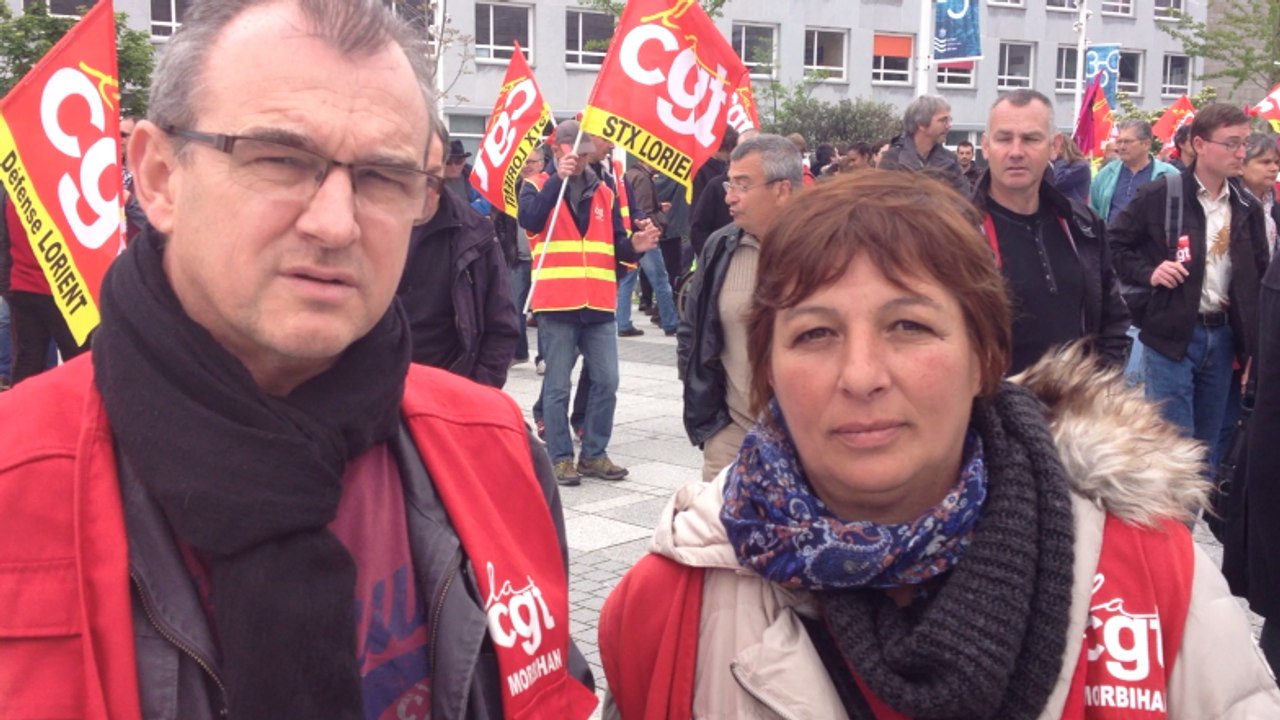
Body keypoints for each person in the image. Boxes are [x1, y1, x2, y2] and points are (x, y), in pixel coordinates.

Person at [0, 2, 597, 718]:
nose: (335, 223)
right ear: (158, 176)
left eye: (383, 177)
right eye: (279, 160)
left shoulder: (496, 447)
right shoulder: (19, 477)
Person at [599, 171, 1280, 719]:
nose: (861, 376)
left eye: (909, 326)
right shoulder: (665, 606)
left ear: (984, 356)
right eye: (815, 334)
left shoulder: (1153, 573)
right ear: (767, 370)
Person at [1109, 104, 1270, 469]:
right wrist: (1150, 271)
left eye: (1244, 143)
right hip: (1172, 336)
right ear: (1199, 144)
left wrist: (1255, 351)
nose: (1241, 153)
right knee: (1173, 448)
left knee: (1206, 454)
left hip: (1225, 337)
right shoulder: (1163, 193)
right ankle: (1172, 525)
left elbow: (1260, 283)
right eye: (1231, 143)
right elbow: (1114, 244)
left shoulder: (1246, 205)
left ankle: (1184, 525)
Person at [519, 118, 659, 486]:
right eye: (572, 154)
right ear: (555, 150)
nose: (580, 161)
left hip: (597, 302)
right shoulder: (536, 185)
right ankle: (560, 457)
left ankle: (594, 454)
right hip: (557, 302)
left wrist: (636, 247)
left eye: (584, 154)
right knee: (558, 384)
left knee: (607, 380)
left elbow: (615, 247)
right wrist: (555, 182)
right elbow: (530, 220)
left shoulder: (605, 192)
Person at [973, 90, 1130, 373]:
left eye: (1031, 139)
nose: (1016, 151)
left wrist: (1099, 387)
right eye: (1004, 138)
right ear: (985, 146)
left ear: (1054, 146)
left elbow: (1112, 317)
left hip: (1075, 407)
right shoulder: (960, 230)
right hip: (994, 408)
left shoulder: (1083, 225)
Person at [678, 134, 801, 482]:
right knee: (716, 531)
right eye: (730, 183)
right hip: (730, 433)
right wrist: (710, 419)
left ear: (782, 190)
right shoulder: (721, 246)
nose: (729, 196)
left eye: (742, 185)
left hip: (807, 438)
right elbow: (693, 330)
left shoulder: (825, 249)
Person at [397, 123, 519, 387]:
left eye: (433, 175)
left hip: (447, 392)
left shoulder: (475, 233)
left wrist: (476, 394)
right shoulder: (363, 223)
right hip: (372, 395)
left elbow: (501, 327)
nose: (426, 187)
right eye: (414, 173)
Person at [619, 157, 677, 336]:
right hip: (644, 235)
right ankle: (670, 322)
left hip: (629, 234)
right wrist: (657, 227)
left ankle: (622, 323)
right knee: (660, 279)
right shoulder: (644, 179)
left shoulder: (629, 175)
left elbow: (632, 203)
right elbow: (643, 210)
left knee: (627, 282)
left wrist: (658, 206)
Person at [1090, 119, 1179, 224]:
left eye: (1127, 141)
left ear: (1146, 144)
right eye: (1119, 141)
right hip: (1110, 238)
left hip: (1152, 239)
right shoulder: (1106, 173)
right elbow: (1093, 210)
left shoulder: (1169, 174)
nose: (1122, 147)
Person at [878, 95, 970, 194]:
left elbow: (964, 201)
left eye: (949, 120)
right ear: (921, 124)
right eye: (943, 120)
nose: (949, 125)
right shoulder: (893, 160)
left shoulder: (950, 161)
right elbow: (884, 202)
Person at [1051, 132, 1092, 205]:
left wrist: (1060, 157)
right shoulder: (1055, 165)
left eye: (1054, 147)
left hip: (1074, 211)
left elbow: (1059, 181)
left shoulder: (1080, 166)